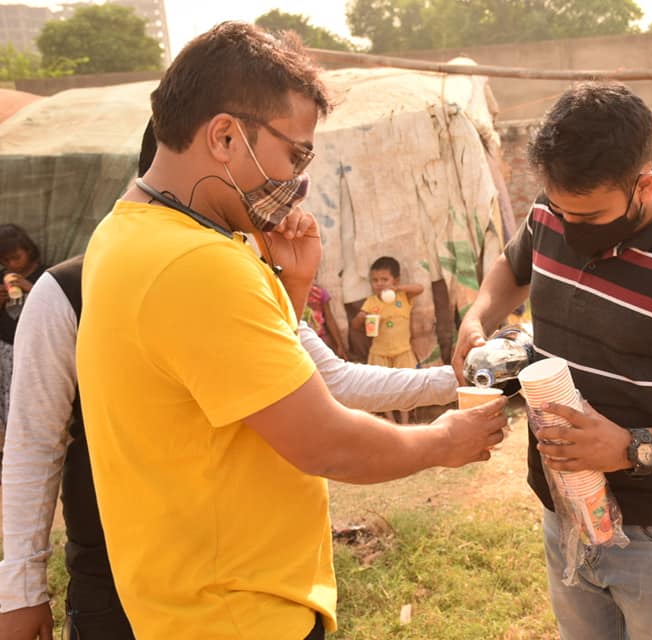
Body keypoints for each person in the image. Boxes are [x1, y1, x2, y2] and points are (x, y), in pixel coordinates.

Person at [74, 22, 505, 640]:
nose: (298, 180)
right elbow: (324, 441)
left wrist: (292, 285)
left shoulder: (126, 235)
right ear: (225, 136)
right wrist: (441, 442)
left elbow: (261, 387)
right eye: (296, 154)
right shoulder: (198, 264)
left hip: (191, 603)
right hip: (238, 615)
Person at [452, 82, 652, 640]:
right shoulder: (552, 213)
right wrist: (478, 315)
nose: (569, 230)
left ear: (643, 185)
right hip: (564, 508)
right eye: (561, 211)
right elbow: (513, 267)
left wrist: (631, 446)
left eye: (590, 217)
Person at [0, 255, 460, 640]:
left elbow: (333, 379)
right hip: (121, 582)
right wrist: (21, 589)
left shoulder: (240, 275)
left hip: (255, 583)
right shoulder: (70, 290)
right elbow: (34, 442)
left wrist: (460, 379)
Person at [0, 224, 46, 456]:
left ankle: (29, 447)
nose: (12, 264)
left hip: (33, 351)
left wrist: (32, 288)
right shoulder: (3, 278)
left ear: (28, 250)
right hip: (5, 348)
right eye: (5, 260)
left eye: (16, 257)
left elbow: (58, 308)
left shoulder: (47, 277)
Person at [351, 255, 424, 369]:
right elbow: (355, 326)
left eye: (384, 280)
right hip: (379, 354)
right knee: (381, 379)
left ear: (396, 280)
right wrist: (360, 318)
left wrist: (398, 288)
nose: (379, 284)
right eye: (375, 280)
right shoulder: (371, 302)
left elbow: (420, 288)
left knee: (407, 378)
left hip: (403, 352)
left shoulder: (402, 296)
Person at [304, 284, 347, 359]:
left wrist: (340, 345)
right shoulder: (288, 294)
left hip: (321, 339)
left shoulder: (319, 292)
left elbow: (329, 319)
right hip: (302, 341)